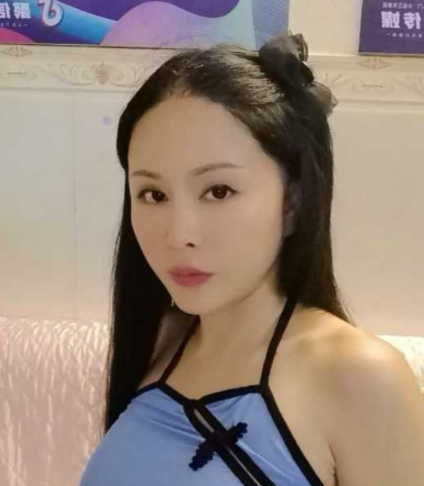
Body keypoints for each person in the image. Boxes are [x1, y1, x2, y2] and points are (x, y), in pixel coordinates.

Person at [79, 31, 424, 486]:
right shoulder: (161, 339)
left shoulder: (361, 377)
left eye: (219, 191)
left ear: (293, 203)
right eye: (153, 194)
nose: (179, 235)